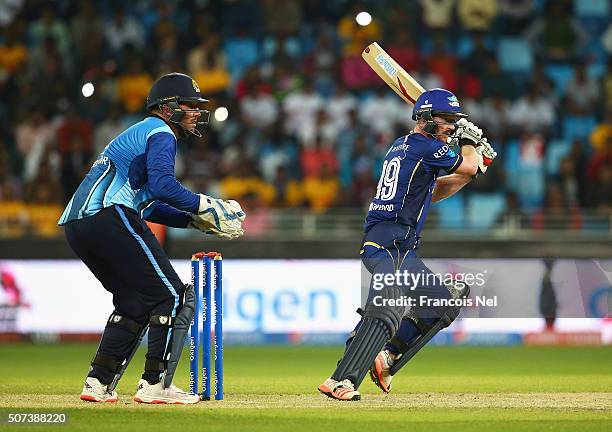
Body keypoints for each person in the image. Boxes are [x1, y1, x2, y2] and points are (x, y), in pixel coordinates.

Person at [58, 73, 245, 404]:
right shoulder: (160, 132)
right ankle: (155, 384)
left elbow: (148, 203)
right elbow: (162, 185)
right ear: (168, 108)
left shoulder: (139, 134)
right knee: (173, 296)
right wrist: (208, 205)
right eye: (190, 106)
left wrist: (196, 221)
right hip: (109, 214)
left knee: (134, 302)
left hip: (79, 225)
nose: (196, 113)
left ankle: (98, 383)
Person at [318, 88, 497, 401]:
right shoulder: (424, 145)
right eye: (448, 121)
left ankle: (385, 356)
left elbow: (434, 191)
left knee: (444, 302)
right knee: (386, 305)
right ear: (426, 120)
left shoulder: (406, 145)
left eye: (456, 122)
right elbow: (465, 166)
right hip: (389, 243)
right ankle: (340, 381)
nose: (452, 128)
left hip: (401, 247)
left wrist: (475, 164)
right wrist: (471, 146)